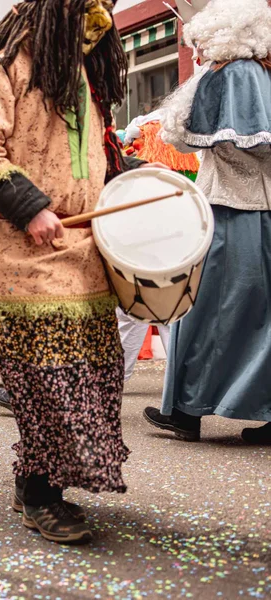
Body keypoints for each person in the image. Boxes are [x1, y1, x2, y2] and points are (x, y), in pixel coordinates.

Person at [0, 0, 150, 544]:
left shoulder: (84, 78)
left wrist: (141, 187)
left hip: (84, 260)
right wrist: (29, 206)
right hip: (22, 263)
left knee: (92, 378)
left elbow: (98, 160)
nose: (98, 16)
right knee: (48, 387)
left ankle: (34, 482)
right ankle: (42, 494)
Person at [144, 0, 271, 445]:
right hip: (241, 208)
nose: (195, 50)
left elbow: (253, 141)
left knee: (208, 309)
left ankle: (187, 410)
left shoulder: (237, 74)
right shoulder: (242, 73)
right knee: (249, 314)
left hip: (238, 212)